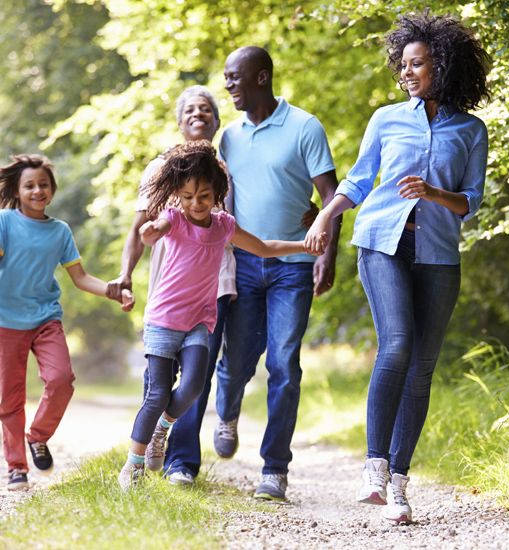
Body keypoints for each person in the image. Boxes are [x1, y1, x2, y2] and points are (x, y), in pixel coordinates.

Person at [305, 13, 490, 523]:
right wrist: (325, 215)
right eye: (403, 65)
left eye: (417, 64)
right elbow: (361, 180)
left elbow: (472, 202)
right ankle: (374, 466)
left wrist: (433, 192)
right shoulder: (386, 119)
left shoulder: (471, 130)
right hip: (381, 243)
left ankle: (400, 485)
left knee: (423, 367)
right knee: (399, 344)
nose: (406, 73)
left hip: (438, 255)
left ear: (443, 66)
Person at [107, 86, 318, 486]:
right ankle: (174, 462)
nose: (198, 114)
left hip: (225, 284)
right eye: (190, 108)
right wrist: (128, 270)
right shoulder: (162, 174)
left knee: (209, 375)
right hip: (169, 304)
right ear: (178, 118)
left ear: (218, 121)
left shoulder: (227, 168)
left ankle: (195, 427)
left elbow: (260, 222)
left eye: (206, 108)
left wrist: (306, 223)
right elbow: (145, 228)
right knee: (161, 389)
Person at [213, 46, 341, 501]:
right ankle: (225, 412)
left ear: (261, 77)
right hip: (245, 264)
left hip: (294, 266)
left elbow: (331, 197)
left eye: (234, 78)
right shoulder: (227, 137)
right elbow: (217, 201)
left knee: (284, 364)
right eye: (225, 78)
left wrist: (328, 255)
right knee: (237, 363)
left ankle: (274, 470)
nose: (228, 85)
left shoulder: (304, 127)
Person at [0, 154, 133, 490]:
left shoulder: (60, 231)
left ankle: (37, 436)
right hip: (7, 321)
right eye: (30, 185)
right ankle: (16, 467)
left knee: (62, 379)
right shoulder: (4, 221)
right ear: (18, 191)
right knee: (10, 398)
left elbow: (80, 278)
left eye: (43, 185)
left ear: (52, 189)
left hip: (45, 318)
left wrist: (113, 290)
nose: (37, 190)